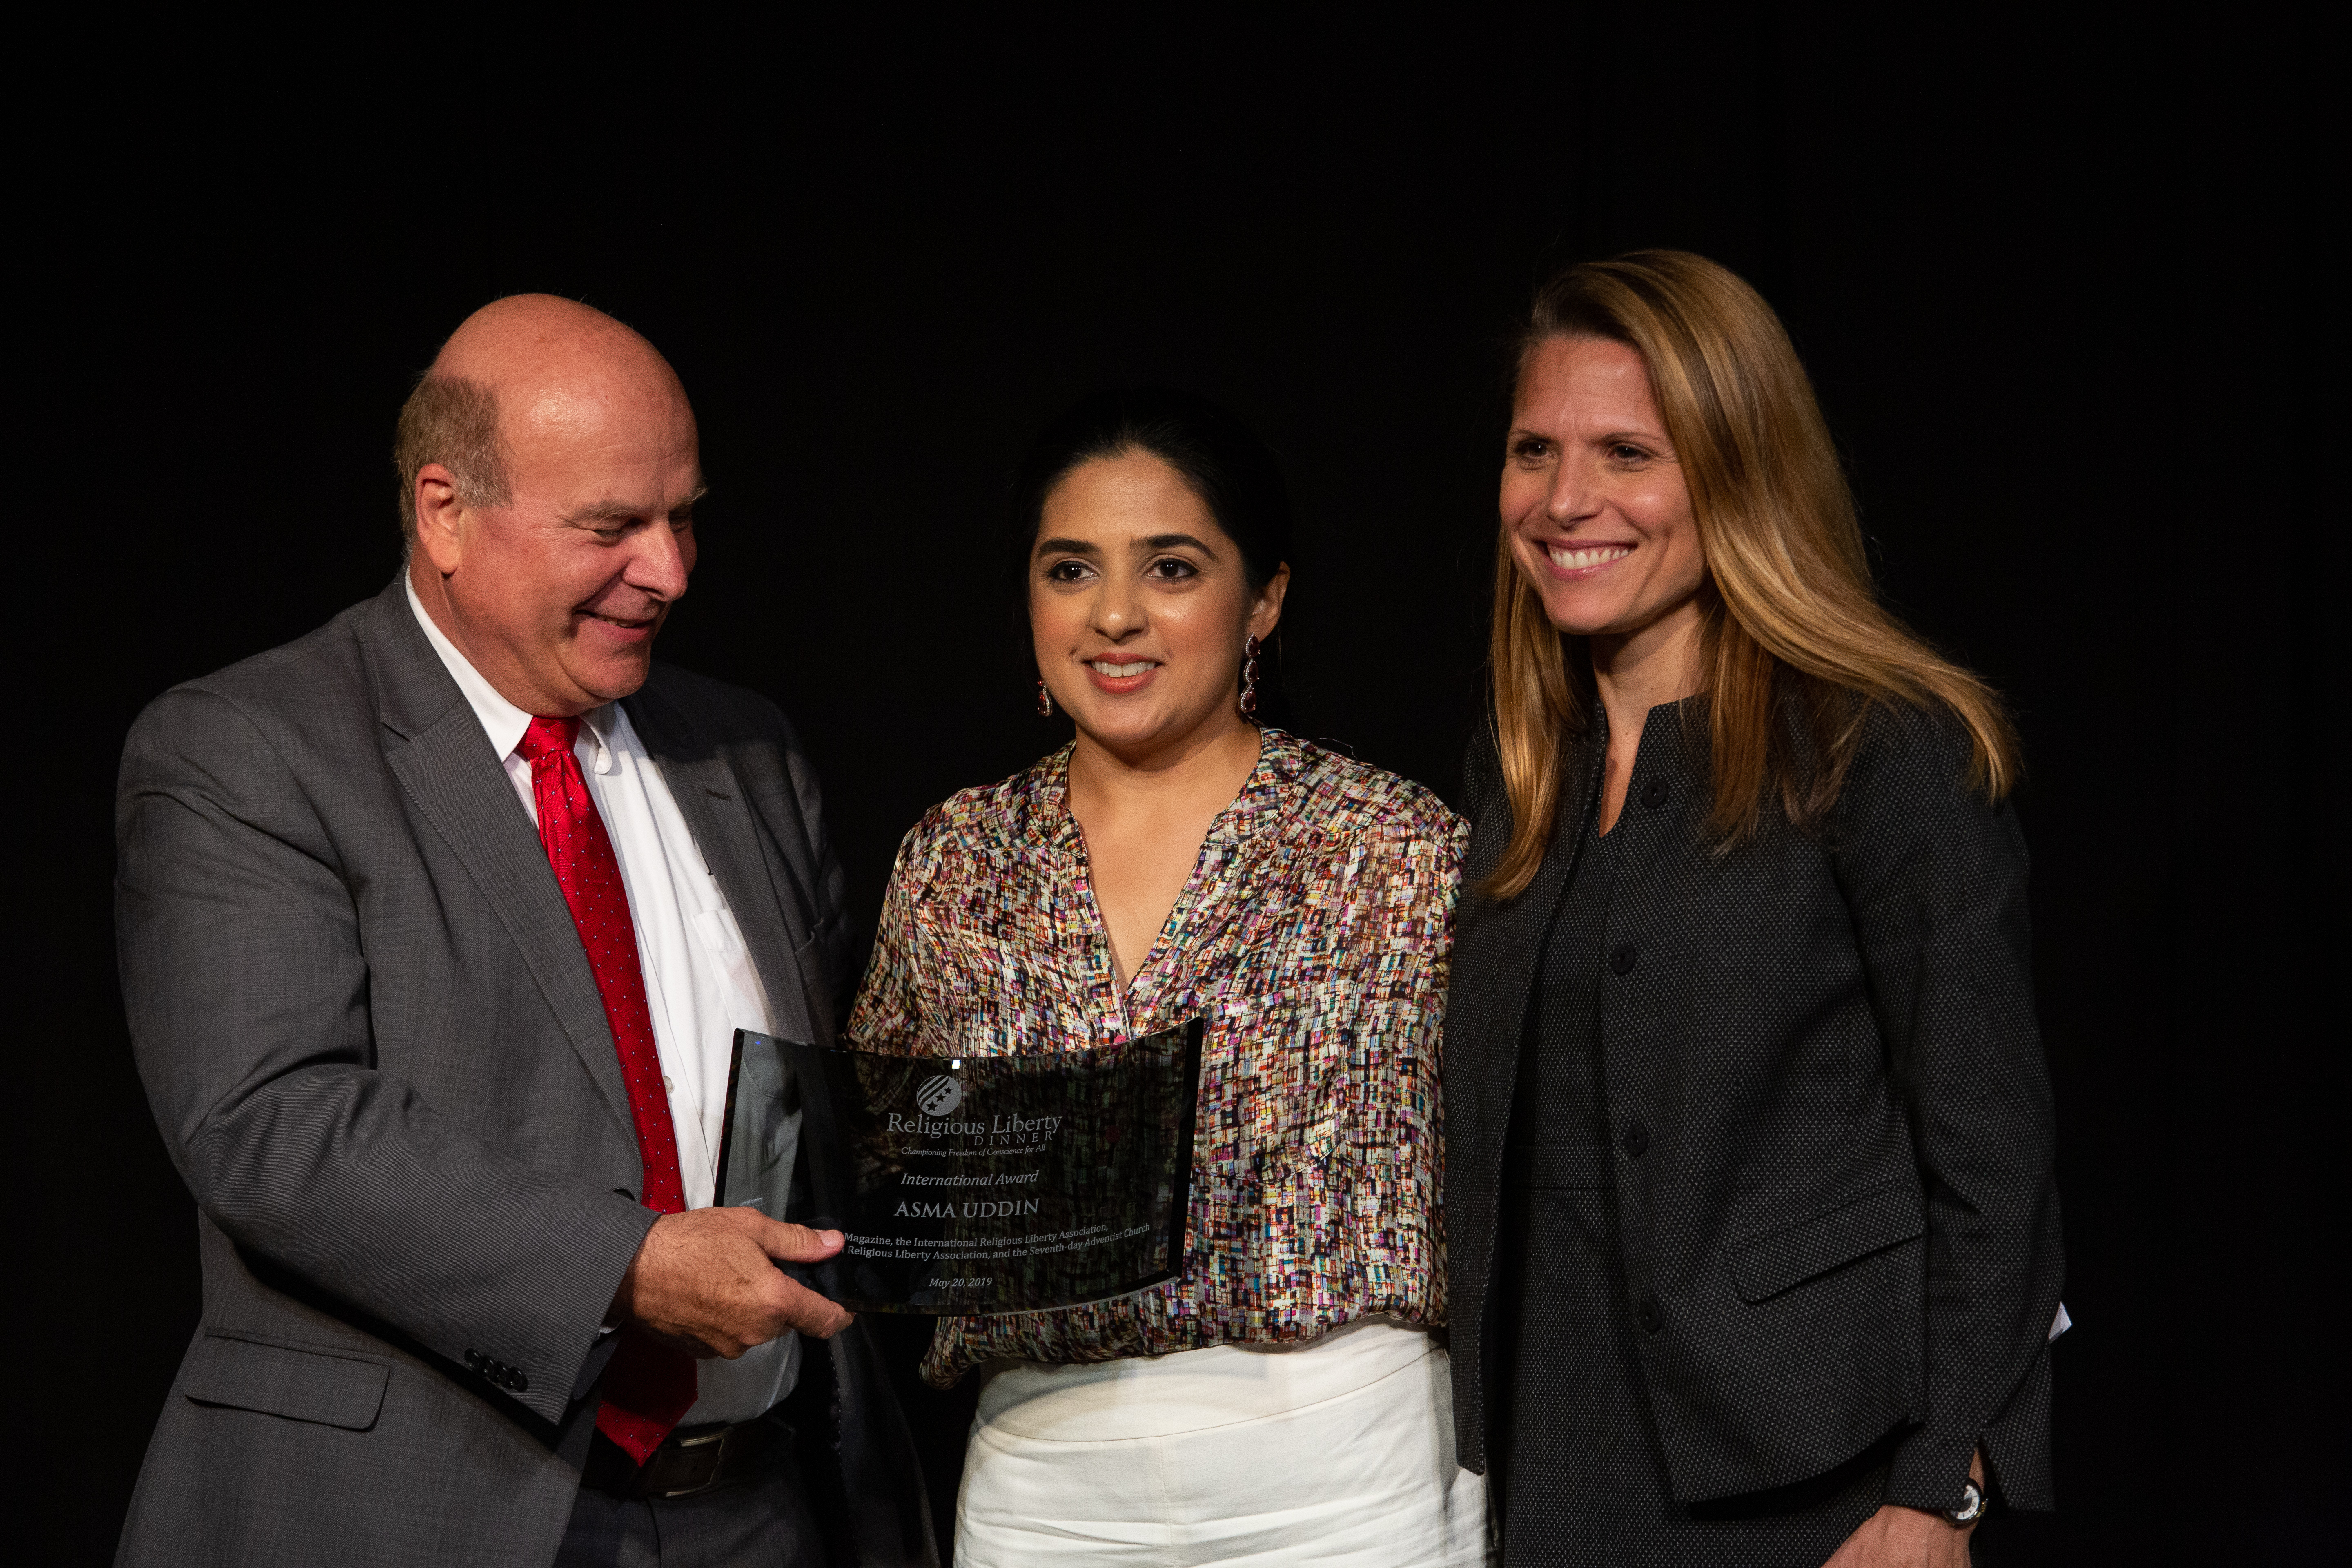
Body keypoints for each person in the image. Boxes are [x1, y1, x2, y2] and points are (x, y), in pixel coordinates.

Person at [113, 296, 935, 1568]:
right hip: (413, 1518)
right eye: (610, 526)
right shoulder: (248, 750)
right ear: (443, 511)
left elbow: (829, 1116)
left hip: (761, 1509)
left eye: (684, 516)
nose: (670, 570)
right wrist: (630, 1265)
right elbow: (272, 1121)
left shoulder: (750, 753)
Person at [1442, 252, 2065, 1566]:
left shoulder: (1881, 748)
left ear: (1740, 465)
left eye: (1627, 452)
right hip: (1551, 1476)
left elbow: (1992, 1161)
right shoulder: (1515, 773)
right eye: (1534, 449)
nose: (1566, 501)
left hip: (1827, 1486)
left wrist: (1940, 1480)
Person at [845, 388, 1488, 1567]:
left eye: (1173, 569)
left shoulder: (1393, 848)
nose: (1118, 615)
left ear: (1267, 600)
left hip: (1346, 1475)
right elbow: (887, 1190)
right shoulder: (955, 860)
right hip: (1044, 1479)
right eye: (1072, 570)